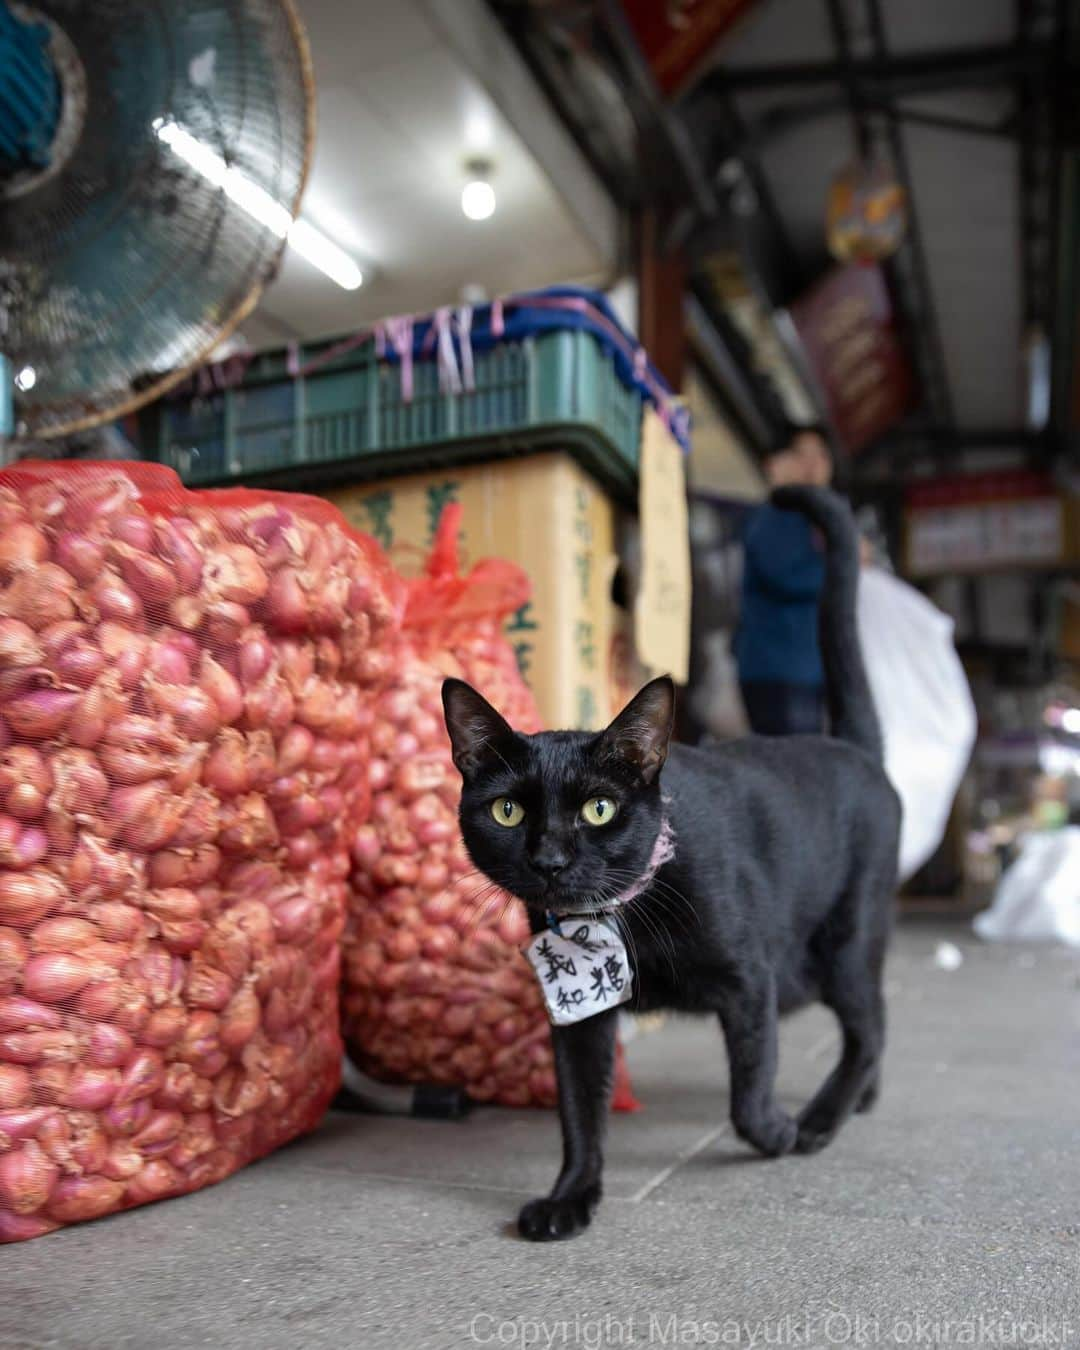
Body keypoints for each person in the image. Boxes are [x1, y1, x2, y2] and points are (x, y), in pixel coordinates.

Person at [734, 422, 834, 737]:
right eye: (803, 454)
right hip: (779, 671)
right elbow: (787, 576)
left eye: (821, 454)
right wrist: (845, 565)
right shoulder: (778, 514)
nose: (813, 463)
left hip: (804, 671)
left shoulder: (810, 519)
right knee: (794, 768)